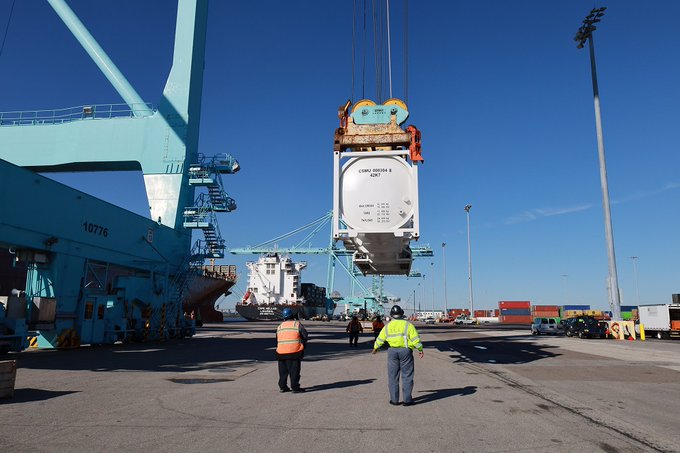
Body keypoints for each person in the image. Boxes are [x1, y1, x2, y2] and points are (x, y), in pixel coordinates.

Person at [372, 305, 424, 406]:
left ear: (391, 315)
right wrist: (420, 349)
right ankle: (407, 400)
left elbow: (380, 338)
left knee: (393, 377)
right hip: (405, 351)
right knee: (407, 376)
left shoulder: (388, 326)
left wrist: (375, 348)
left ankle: (394, 400)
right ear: (402, 314)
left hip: (392, 352)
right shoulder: (408, 325)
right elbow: (415, 338)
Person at [276, 308, 308, 393]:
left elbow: (277, 338)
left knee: (283, 372)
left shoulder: (280, 326)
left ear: (284, 317)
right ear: (292, 316)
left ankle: (283, 387)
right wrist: (303, 344)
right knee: (294, 371)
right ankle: (295, 387)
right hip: (294, 352)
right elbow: (305, 335)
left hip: (281, 352)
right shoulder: (296, 324)